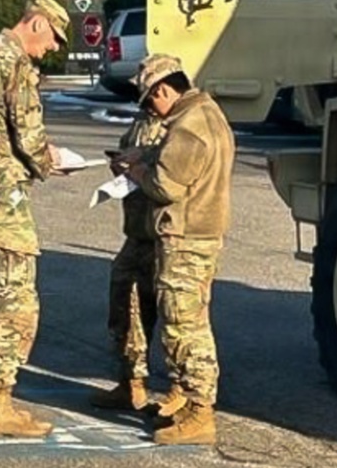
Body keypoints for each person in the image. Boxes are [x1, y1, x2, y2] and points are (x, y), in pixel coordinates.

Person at [0, 0, 70, 439]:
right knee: (14, 300)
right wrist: (51, 160)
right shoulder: (13, 61)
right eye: (55, 36)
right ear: (37, 23)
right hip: (3, 194)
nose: (55, 47)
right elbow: (26, 131)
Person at [116, 54, 235, 446]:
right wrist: (146, 156)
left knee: (186, 327)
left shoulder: (188, 125)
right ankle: (190, 405)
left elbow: (167, 186)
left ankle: (200, 412)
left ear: (164, 90)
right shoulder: (207, 113)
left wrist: (136, 171)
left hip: (186, 239)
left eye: (151, 100)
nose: (151, 109)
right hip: (198, 235)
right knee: (187, 320)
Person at [88, 63, 168, 412]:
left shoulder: (179, 125)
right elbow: (129, 151)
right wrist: (119, 164)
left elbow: (174, 171)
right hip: (135, 231)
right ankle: (130, 382)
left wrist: (141, 164)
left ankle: (184, 393)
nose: (144, 97)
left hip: (164, 234)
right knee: (125, 303)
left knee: (174, 316)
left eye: (149, 90)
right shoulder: (142, 120)